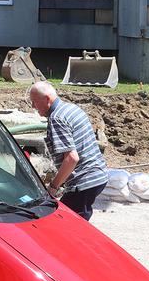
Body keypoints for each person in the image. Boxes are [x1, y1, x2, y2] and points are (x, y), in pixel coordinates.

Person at [28, 81, 112, 221]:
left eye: (34, 102)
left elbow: (71, 158)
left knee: (64, 223)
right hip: (98, 176)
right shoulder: (71, 108)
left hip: (84, 181)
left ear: (47, 99)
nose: (32, 106)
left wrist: (53, 188)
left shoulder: (57, 119)